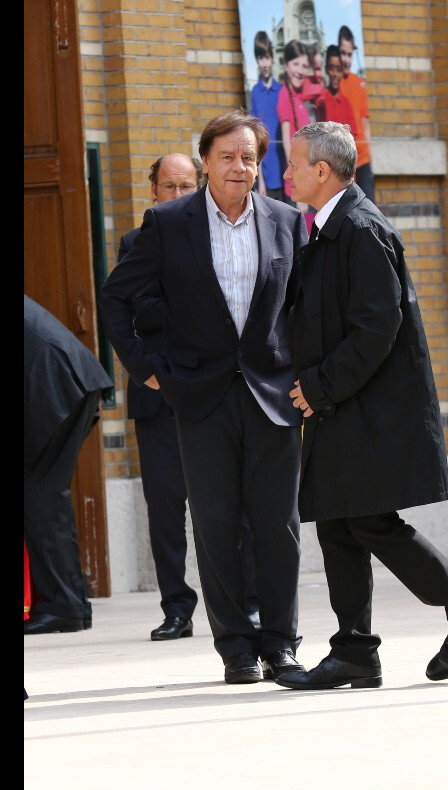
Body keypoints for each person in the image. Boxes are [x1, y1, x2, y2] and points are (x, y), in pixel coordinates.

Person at [276, 122, 448, 690]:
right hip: (341, 410)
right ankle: (354, 651)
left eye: (293, 164)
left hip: (366, 411)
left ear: (322, 172)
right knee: (337, 523)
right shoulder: (328, 229)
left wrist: (322, 385)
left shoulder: (360, 230)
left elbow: (378, 327)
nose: (283, 175)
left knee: (370, 522)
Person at [99, 109, 309, 685]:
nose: (239, 167)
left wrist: (307, 380)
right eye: (227, 157)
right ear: (206, 163)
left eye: (249, 157)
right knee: (215, 523)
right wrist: (146, 369)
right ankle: (236, 648)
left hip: (272, 393)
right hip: (200, 395)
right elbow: (116, 298)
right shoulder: (168, 223)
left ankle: (282, 642)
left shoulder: (288, 222)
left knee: (278, 525)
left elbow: (306, 310)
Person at [118, 152, 259, 640]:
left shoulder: (216, 235)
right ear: (153, 191)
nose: (176, 195)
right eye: (168, 187)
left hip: (216, 389)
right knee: (164, 506)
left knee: (235, 501)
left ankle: (250, 602)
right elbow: (134, 307)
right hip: (159, 392)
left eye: (185, 186)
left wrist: (172, 303)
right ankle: (177, 607)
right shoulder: (137, 241)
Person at [24, 295, 114, 634]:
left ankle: (64, 607)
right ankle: (72, 605)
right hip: (67, 378)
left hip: (56, 381)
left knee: (40, 493)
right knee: (46, 493)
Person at [277, 39, 325, 212]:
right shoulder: (284, 95)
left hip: (311, 180)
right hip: (299, 184)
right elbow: (286, 141)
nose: (300, 70)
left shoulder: (299, 95)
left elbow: (319, 89)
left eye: (305, 66)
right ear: (286, 65)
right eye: (295, 64)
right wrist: (298, 185)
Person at [337, 25, 375, 203]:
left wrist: (369, 156)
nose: (346, 59)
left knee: (370, 211)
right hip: (342, 161)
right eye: (343, 53)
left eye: (349, 54)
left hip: (363, 160)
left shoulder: (360, 83)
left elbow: (365, 124)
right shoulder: (334, 85)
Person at [250, 31, 285, 201]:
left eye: (267, 58)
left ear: (272, 58)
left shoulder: (282, 90)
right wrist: (260, 182)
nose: (264, 63)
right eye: (260, 59)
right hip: (267, 177)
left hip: (287, 172)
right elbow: (256, 139)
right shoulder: (255, 93)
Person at [314, 45, 358, 137]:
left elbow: (352, 138)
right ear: (326, 70)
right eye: (331, 68)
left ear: (342, 72)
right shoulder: (320, 100)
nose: (335, 74)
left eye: (338, 70)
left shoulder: (346, 104)